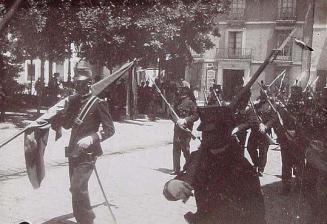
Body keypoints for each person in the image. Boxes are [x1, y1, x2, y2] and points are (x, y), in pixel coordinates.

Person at [163, 105, 266, 224]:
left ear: (225, 132)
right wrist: (172, 186)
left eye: (212, 132)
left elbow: (257, 214)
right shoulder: (198, 158)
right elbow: (182, 180)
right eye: (205, 132)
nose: (206, 136)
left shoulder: (242, 167)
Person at [52, 68, 115, 224]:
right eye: (76, 83)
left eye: (80, 83)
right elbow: (66, 125)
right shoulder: (74, 102)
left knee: (77, 188)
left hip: (88, 153)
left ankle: (87, 221)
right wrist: (61, 113)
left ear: (89, 83)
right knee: (75, 190)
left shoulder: (99, 103)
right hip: (73, 152)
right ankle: (82, 220)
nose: (77, 86)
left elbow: (110, 130)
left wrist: (92, 138)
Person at [171, 86, 199, 175]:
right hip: (177, 128)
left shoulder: (191, 103)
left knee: (185, 148)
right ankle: (176, 169)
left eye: (182, 92)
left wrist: (185, 120)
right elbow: (171, 113)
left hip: (187, 129)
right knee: (176, 147)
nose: (180, 94)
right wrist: (176, 121)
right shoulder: (177, 102)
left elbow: (196, 116)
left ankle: (188, 166)